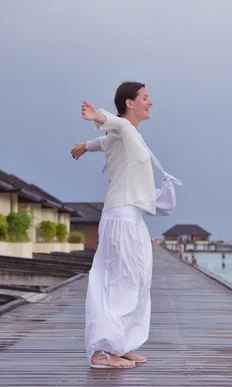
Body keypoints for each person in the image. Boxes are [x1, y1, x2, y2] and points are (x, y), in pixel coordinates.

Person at [70, 81, 156, 369]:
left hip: (133, 217)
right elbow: (112, 123)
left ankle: (123, 344)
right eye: (145, 97)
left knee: (140, 281)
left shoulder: (124, 136)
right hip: (121, 217)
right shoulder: (122, 126)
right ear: (130, 103)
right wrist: (96, 116)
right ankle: (103, 352)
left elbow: (103, 142)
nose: (151, 102)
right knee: (122, 282)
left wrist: (85, 145)